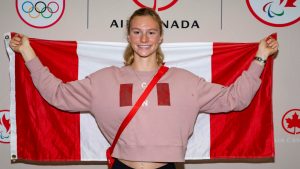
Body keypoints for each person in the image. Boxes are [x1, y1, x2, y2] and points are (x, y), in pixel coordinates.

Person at [9, 7, 278, 169]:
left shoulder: (185, 81)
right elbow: (58, 94)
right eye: (137, 31)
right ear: (128, 36)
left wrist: (260, 57)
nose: (144, 38)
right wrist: (28, 52)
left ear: (160, 37)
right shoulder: (104, 80)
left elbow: (235, 99)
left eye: (151, 32)